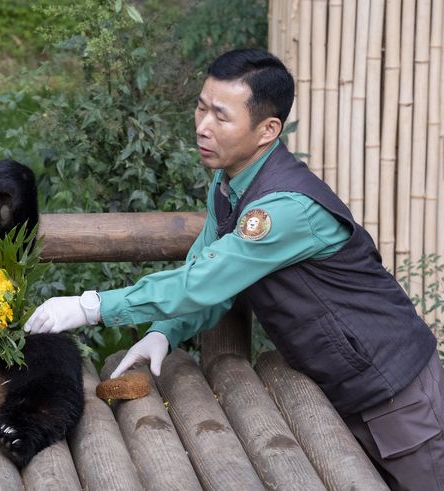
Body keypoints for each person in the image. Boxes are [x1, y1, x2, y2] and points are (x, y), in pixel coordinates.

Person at [24, 48, 444, 489]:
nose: (202, 126)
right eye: (201, 107)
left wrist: (92, 306)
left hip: (399, 396)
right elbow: (211, 270)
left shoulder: (285, 208)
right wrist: (164, 331)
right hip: (345, 387)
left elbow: (204, 281)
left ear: (268, 130)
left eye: (220, 117)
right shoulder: (228, 185)